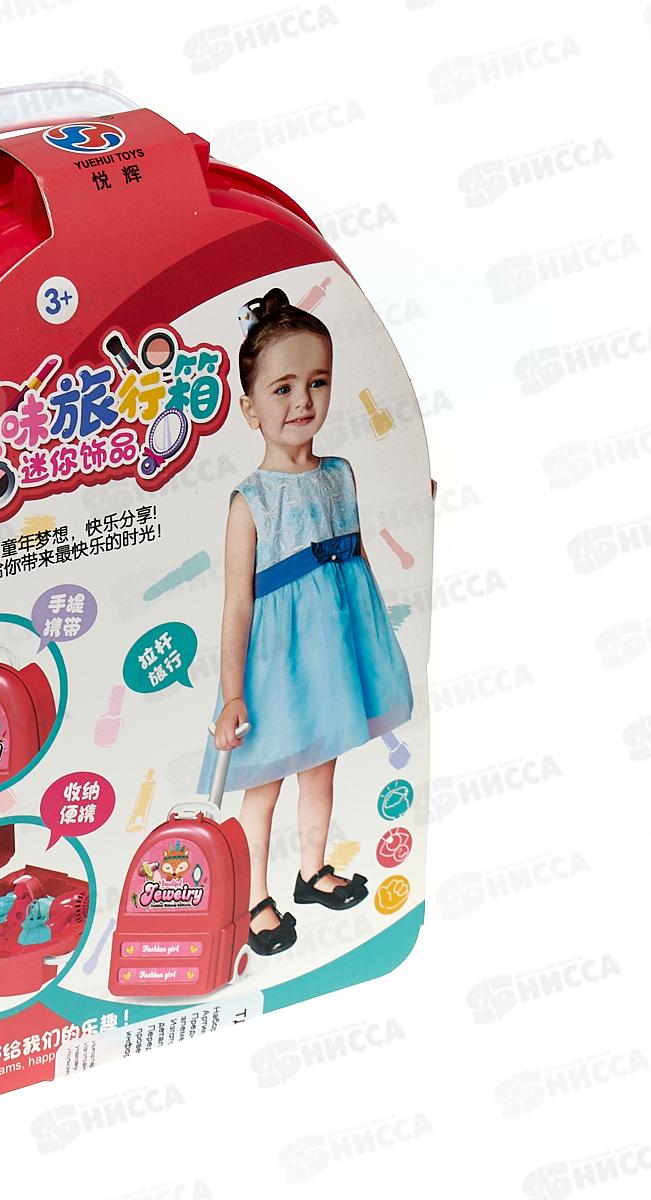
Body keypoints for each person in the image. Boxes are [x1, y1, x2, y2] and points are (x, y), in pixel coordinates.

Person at [197, 287, 413, 956]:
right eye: (283, 388)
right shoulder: (251, 501)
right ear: (249, 407)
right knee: (262, 787)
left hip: (334, 657)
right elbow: (237, 604)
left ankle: (312, 870)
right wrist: (233, 693)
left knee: (322, 768)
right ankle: (253, 895)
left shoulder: (340, 475)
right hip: (275, 669)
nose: (302, 402)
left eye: (317, 382)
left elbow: (356, 566)